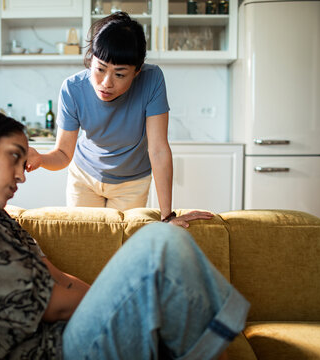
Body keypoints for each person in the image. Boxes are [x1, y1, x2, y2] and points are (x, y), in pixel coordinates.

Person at [0, 108, 249, 360]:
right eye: (14, 157)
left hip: (65, 338)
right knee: (160, 244)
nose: (23, 175)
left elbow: (59, 280)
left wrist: (123, 304)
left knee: (165, 247)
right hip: (46, 352)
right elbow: (56, 308)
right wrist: (131, 303)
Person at [26, 12, 212, 227]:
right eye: (100, 69)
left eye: (120, 74)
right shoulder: (72, 88)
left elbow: (158, 149)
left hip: (132, 182)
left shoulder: (152, 80)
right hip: (84, 177)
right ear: (91, 59)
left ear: (137, 71)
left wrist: (167, 216)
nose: (106, 83)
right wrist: (40, 158)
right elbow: (63, 153)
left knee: (123, 246)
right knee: (82, 245)